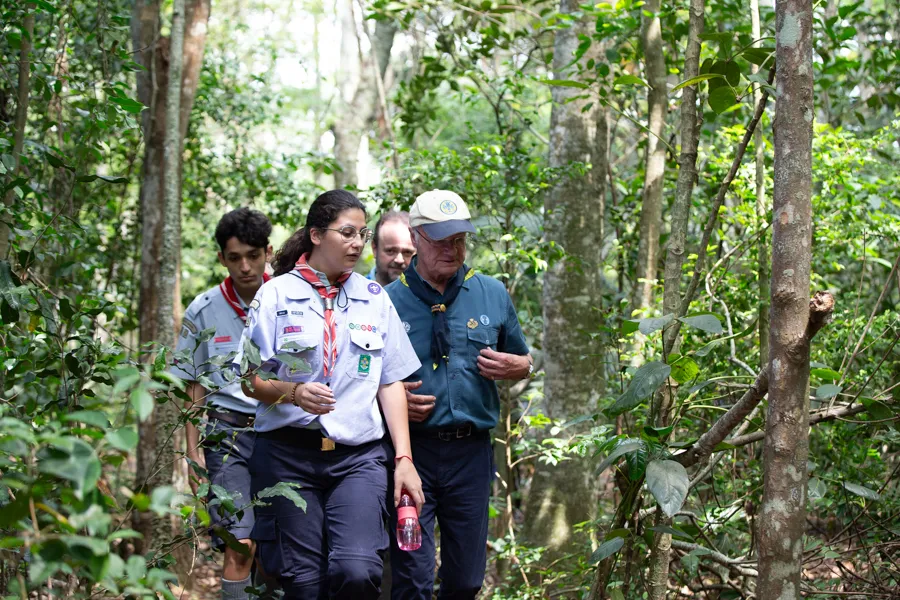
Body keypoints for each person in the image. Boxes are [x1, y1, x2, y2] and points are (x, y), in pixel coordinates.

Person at [235, 189, 425, 600]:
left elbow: (389, 381)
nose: (357, 243)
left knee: (356, 572)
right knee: (302, 585)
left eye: (362, 233)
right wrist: (293, 393)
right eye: (347, 233)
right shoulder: (275, 295)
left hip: (357, 457)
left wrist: (404, 459)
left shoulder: (374, 298)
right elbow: (249, 379)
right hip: (288, 455)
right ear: (316, 235)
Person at [386, 190, 533, 600]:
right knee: (412, 578)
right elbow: (362, 383)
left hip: (471, 454)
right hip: (411, 456)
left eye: (460, 239)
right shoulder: (385, 302)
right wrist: (394, 405)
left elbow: (522, 359)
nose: (453, 249)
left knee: (466, 580)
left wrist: (522, 366)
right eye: (441, 239)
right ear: (416, 237)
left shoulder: (490, 292)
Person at [170, 207, 273, 600]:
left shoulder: (288, 295)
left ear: (268, 252)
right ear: (221, 259)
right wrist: (193, 453)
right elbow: (192, 386)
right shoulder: (203, 308)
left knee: (277, 548)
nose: (245, 267)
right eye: (234, 258)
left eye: (253, 256)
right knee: (240, 541)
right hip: (226, 436)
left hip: (279, 430)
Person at [367, 211, 416, 286]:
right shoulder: (354, 292)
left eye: (407, 252)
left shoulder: (428, 295)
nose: (399, 260)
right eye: (391, 251)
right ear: (375, 249)